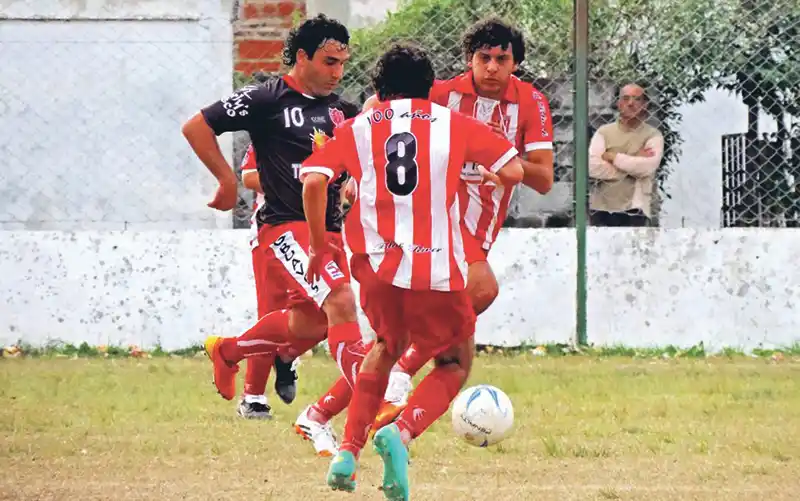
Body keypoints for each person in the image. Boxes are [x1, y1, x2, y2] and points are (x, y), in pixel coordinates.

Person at [298, 42, 524, 499]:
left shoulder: (360, 126)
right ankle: (399, 434)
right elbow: (516, 169)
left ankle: (346, 451)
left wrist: (321, 246)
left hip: (377, 269)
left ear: (380, 90)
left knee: (384, 346)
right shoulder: (454, 123)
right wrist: (495, 175)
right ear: (429, 88)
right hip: (436, 267)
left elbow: (315, 180)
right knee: (456, 362)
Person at [328, 17, 555, 431]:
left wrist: (501, 165)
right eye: (483, 57)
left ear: (515, 64)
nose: (491, 67)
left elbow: (543, 177)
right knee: (481, 292)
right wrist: (358, 175)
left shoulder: (531, 104)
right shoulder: (442, 93)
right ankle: (400, 380)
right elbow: (377, 109)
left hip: (482, 227)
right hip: (435, 219)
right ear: (470, 59)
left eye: (501, 59)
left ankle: (325, 412)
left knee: (413, 334)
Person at [181, 14, 364, 456]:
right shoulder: (267, 99)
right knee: (340, 301)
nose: (337, 72)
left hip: (329, 231)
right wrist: (226, 181)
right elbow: (196, 127)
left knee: (311, 324)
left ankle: (230, 351)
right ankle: (369, 399)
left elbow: (362, 156)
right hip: (283, 228)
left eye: (343, 63)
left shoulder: (345, 110)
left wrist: (357, 177)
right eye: (328, 61)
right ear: (302, 57)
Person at [588, 82, 664, 226]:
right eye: (626, 98)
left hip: (635, 209)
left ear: (645, 104)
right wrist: (632, 164)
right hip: (601, 208)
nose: (631, 103)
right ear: (618, 103)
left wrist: (612, 156)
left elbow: (647, 167)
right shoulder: (604, 132)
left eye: (637, 99)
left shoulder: (653, 135)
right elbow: (592, 167)